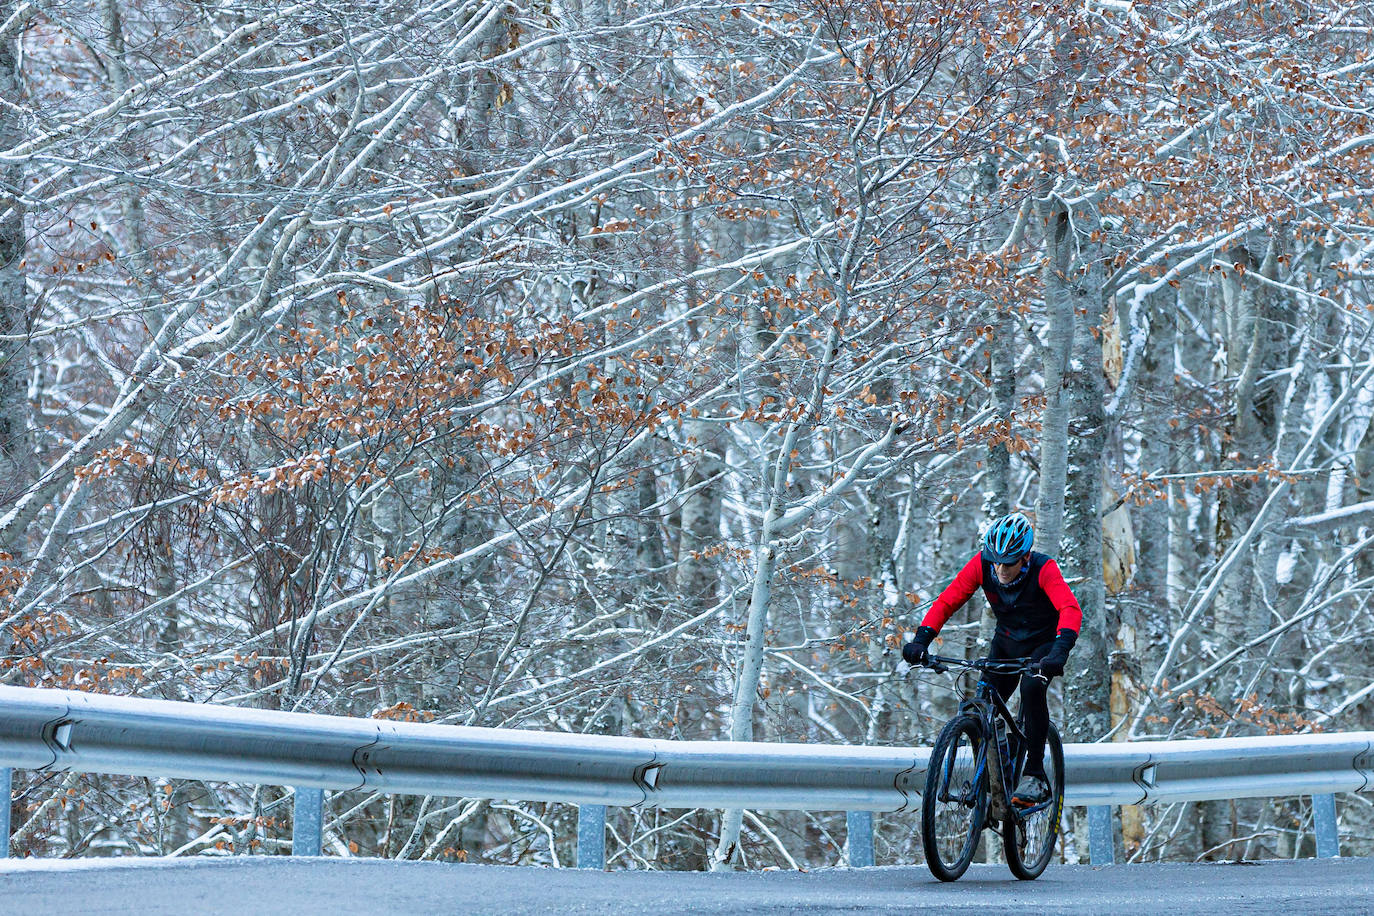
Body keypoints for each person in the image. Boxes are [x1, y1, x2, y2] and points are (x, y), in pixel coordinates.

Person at [901, 511, 1081, 807]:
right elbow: (948, 600)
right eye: (995, 560)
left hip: (1044, 646)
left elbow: (1070, 610)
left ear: (1024, 557)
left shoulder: (1044, 568)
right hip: (1006, 643)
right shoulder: (982, 564)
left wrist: (1060, 651)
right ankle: (996, 770)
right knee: (979, 705)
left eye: (1008, 563)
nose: (1000, 569)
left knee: (1032, 689)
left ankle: (1034, 773)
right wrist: (921, 640)